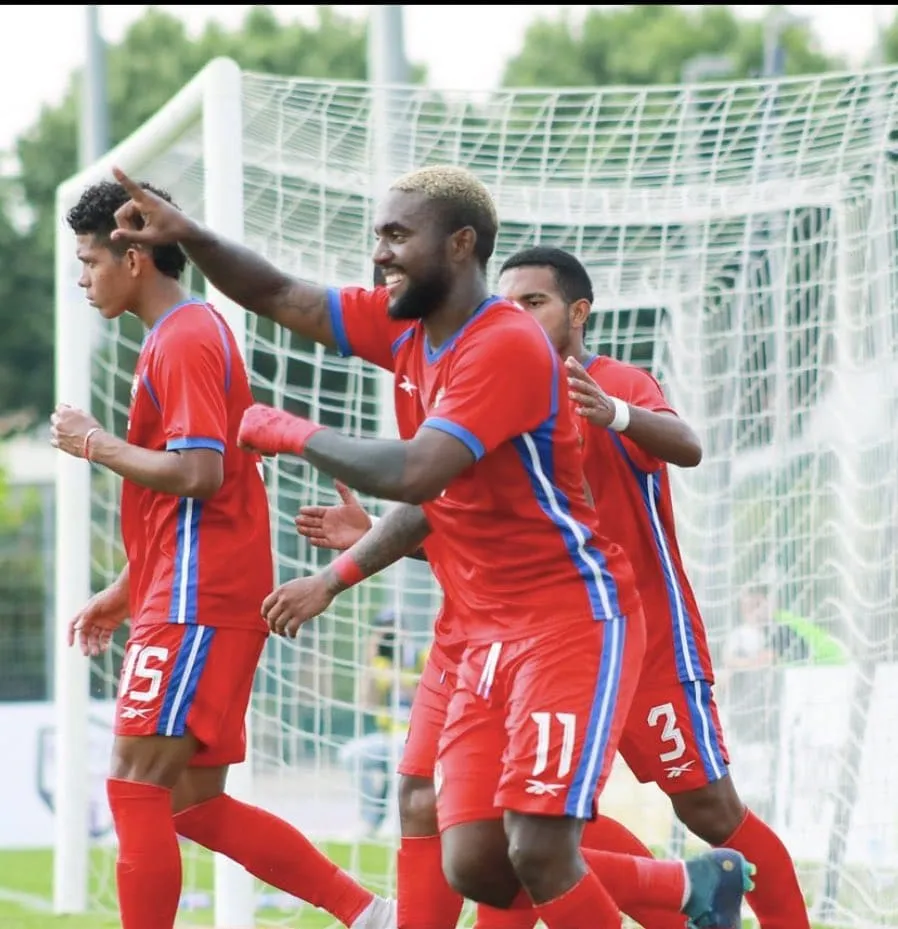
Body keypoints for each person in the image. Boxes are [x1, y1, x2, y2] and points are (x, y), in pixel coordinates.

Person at [106, 162, 752, 929]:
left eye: (396, 235)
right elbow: (282, 295)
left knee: (539, 846)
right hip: (479, 631)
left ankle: (694, 889)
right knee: (473, 857)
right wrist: (192, 234)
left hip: (567, 623)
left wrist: (290, 430)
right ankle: (684, 887)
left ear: (460, 245)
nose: (379, 252)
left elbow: (418, 471)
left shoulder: (504, 345)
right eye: (378, 234)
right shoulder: (405, 324)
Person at [296, 246, 811, 929]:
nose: (515, 315)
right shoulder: (489, 397)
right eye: (506, 303)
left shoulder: (610, 381)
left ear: (577, 313)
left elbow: (687, 444)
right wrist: (371, 539)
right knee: (511, 823)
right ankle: (678, 895)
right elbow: (485, 543)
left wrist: (617, 414)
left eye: (533, 301)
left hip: (647, 641)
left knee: (709, 810)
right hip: (547, 648)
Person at [49, 180, 394, 929]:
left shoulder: (185, 336)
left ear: (134, 256)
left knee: (134, 787)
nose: (82, 278)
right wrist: (125, 589)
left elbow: (200, 475)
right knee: (190, 804)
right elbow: (188, 497)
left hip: (196, 601)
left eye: (88, 260)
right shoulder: (177, 336)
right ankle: (368, 912)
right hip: (188, 593)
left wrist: (93, 442)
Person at [340, 609, 426, 836]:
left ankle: (396, 822)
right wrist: (369, 663)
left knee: (398, 751)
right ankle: (370, 819)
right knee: (352, 755)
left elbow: (423, 697)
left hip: (417, 737)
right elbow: (365, 703)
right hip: (389, 737)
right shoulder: (379, 662)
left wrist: (395, 676)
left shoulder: (421, 656)